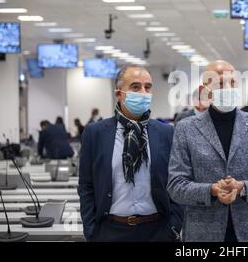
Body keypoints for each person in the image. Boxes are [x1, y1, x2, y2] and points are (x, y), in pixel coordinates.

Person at [167, 60, 248, 242]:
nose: (228, 88)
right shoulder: (185, 128)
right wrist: (212, 190)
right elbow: (176, 186)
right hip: (202, 234)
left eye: (233, 82)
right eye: (220, 83)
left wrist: (243, 188)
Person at [78, 65, 183, 242]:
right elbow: (86, 187)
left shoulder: (166, 133)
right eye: (135, 87)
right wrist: (92, 231)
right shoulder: (95, 134)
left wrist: (174, 227)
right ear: (118, 93)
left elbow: (177, 181)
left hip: (158, 231)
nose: (143, 92)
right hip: (110, 231)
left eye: (147, 87)